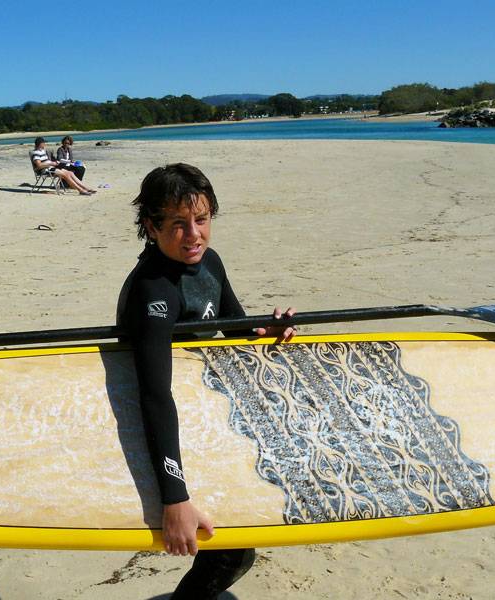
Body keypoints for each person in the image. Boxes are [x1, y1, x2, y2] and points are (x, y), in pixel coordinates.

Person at [117, 163, 296, 599]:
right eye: (177, 224)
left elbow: (235, 328)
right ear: (151, 227)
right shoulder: (153, 290)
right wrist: (174, 500)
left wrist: (268, 331)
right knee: (231, 553)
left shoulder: (209, 262)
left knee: (233, 552)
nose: (194, 234)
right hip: (154, 421)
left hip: (197, 409)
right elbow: (153, 394)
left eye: (201, 219)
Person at [29, 137, 96, 195]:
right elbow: (39, 165)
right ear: (41, 144)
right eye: (44, 143)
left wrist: (53, 163)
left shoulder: (42, 151)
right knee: (66, 175)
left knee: (71, 173)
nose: (45, 144)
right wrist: (51, 163)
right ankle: (81, 190)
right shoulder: (35, 153)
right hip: (46, 170)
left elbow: (45, 162)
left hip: (50, 168)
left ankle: (86, 188)